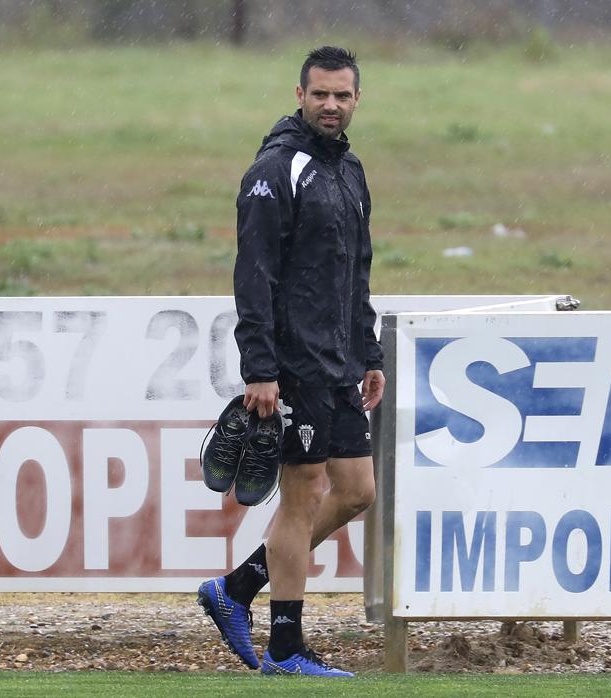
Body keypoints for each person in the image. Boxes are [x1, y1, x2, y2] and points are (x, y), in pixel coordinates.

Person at [197, 46, 383, 678]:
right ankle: (284, 648)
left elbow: (356, 271)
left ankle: (237, 589)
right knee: (302, 495)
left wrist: (369, 351)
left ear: (358, 100)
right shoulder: (275, 169)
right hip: (293, 362)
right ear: (299, 94)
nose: (331, 105)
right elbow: (253, 275)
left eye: (343, 95)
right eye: (320, 94)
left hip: (339, 362)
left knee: (357, 491)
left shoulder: (350, 169)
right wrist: (260, 369)